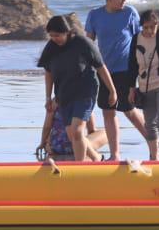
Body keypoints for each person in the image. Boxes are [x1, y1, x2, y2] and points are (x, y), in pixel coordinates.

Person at [85, 0, 150, 161]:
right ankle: (115, 154)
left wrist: (144, 64)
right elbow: (89, 41)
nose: (124, 1)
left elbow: (140, 39)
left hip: (126, 68)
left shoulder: (130, 13)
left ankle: (153, 141)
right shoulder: (94, 15)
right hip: (103, 69)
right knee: (108, 110)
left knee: (128, 109)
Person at [38, 15, 118, 162]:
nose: (55, 38)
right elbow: (48, 72)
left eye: (58, 35)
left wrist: (112, 90)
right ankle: (97, 158)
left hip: (85, 92)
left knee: (76, 131)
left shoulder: (82, 43)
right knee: (72, 134)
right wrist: (48, 97)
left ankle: (79, 167)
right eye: (52, 36)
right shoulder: (51, 47)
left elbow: (100, 67)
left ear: (67, 32)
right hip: (64, 95)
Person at [127, 9, 159, 160]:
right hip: (145, 87)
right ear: (141, 26)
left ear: (158, 25)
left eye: (153, 27)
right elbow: (132, 66)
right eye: (146, 27)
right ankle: (154, 157)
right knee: (150, 124)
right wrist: (132, 89)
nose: (150, 31)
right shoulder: (136, 39)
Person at [38, 103, 109, 162]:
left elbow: (47, 127)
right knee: (105, 132)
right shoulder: (84, 101)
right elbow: (91, 130)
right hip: (76, 145)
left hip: (55, 147)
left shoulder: (54, 101)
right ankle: (89, 152)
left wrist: (43, 143)